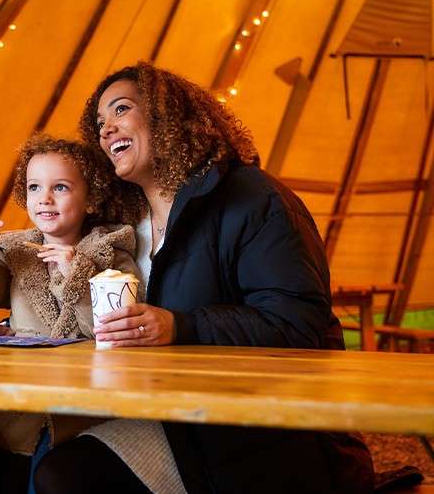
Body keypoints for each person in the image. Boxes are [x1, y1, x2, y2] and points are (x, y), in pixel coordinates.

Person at [30, 62, 376, 494]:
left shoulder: (253, 199)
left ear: (166, 114)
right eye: (99, 123)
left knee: (67, 477)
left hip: (262, 429)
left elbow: (296, 322)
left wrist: (180, 325)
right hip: (174, 413)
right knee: (29, 456)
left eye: (121, 109)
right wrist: (8, 327)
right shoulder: (124, 226)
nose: (106, 130)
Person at [0, 134, 140, 491]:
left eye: (60, 187)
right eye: (34, 187)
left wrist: (77, 273)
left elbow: (110, 330)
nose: (44, 198)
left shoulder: (111, 252)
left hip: (83, 410)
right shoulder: (18, 250)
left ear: (91, 198)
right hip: (22, 407)